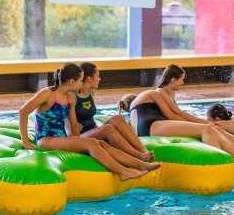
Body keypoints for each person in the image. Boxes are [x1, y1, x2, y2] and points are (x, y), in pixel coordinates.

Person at [18, 63, 159, 182]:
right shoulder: (47, 93)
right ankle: (123, 172)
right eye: (80, 80)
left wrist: (78, 143)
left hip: (62, 138)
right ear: (72, 82)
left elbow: (73, 124)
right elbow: (23, 111)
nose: (81, 83)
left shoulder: (69, 98)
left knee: (100, 143)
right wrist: (25, 140)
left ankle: (140, 164)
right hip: (46, 139)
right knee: (92, 143)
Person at [121, 64, 234, 173]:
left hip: (151, 126)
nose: (184, 83)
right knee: (207, 129)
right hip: (151, 127)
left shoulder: (152, 98)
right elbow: (173, 116)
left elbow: (177, 115)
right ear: (172, 79)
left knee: (209, 128)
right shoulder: (155, 93)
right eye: (182, 80)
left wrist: (204, 124)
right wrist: (203, 124)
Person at [74, 62, 154, 162]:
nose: (100, 79)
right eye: (98, 76)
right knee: (108, 129)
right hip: (81, 135)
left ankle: (143, 150)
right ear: (89, 79)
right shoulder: (73, 96)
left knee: (118, 118)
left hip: (93, 131)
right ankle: (138, 155)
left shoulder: (90, 92)